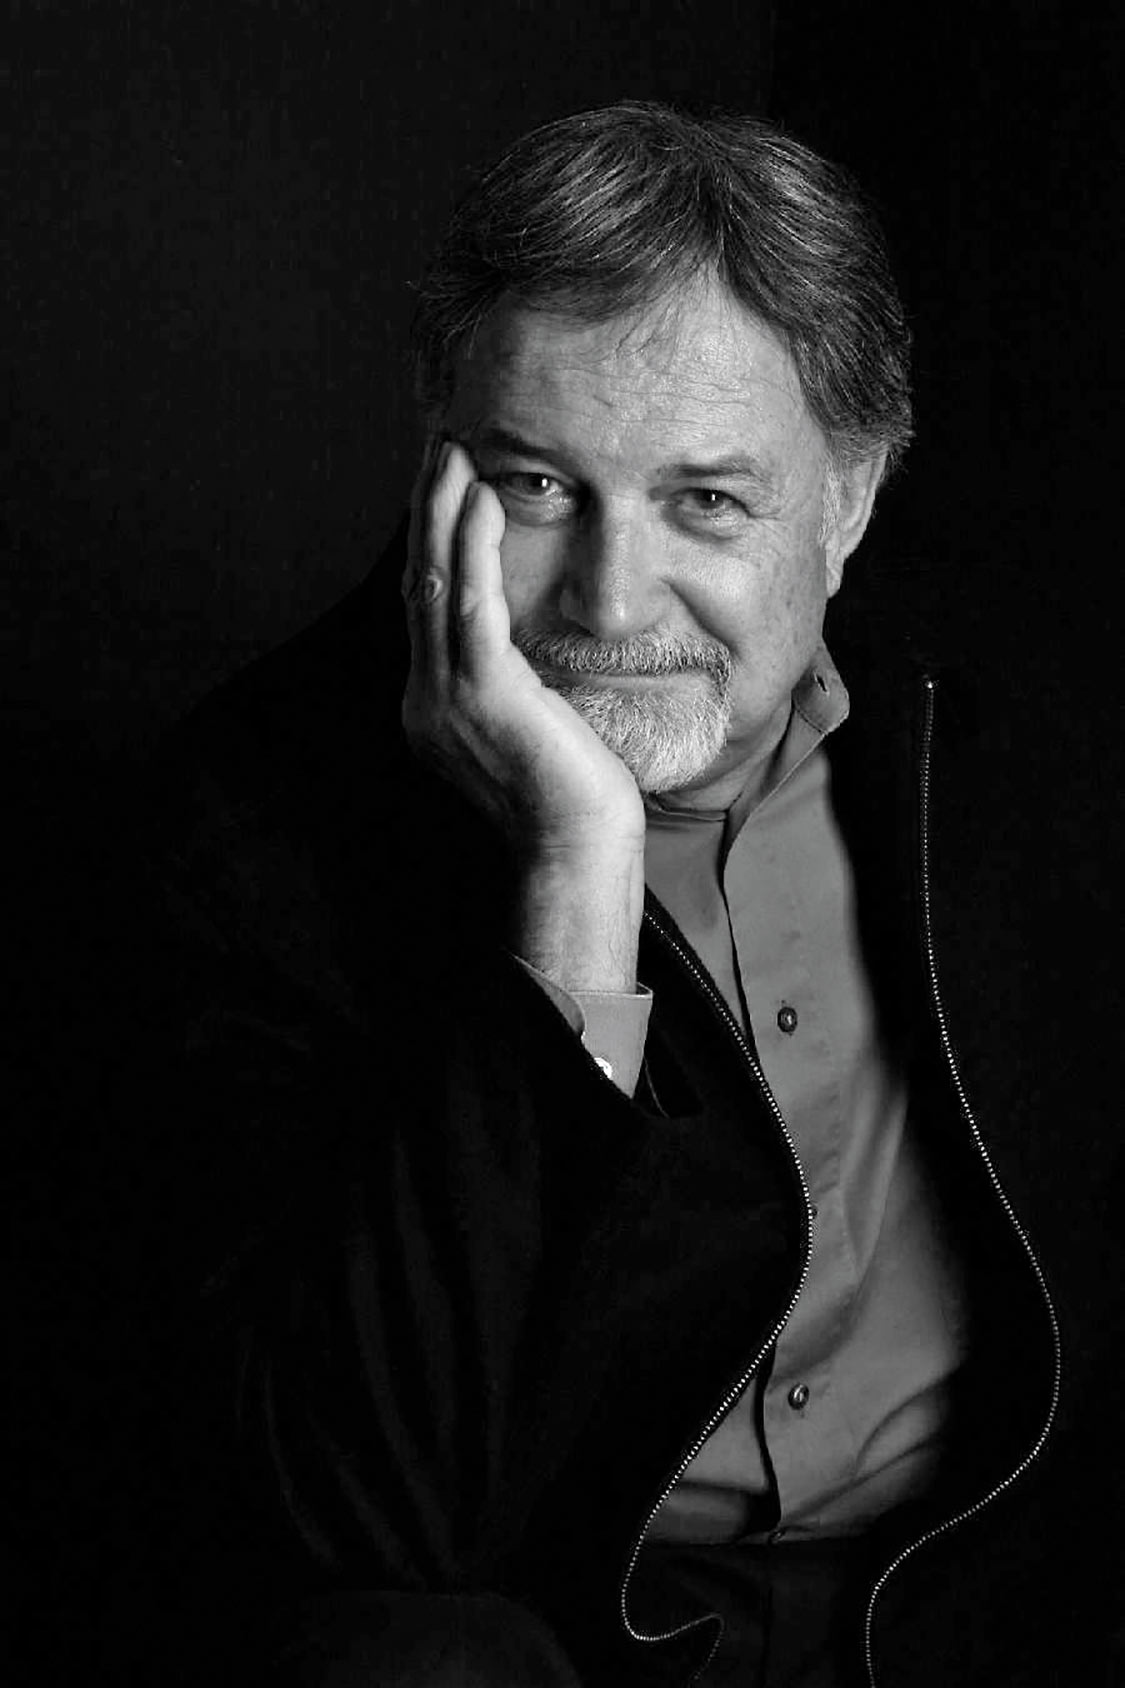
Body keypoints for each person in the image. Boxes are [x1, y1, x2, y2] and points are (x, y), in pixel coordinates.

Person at [131, 102, 1097, 1687]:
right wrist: (572, 869)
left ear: (849, 499)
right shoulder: (248, 827)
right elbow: (370, 1516)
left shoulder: (1022, 735)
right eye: (536, 485)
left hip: (969, 1613)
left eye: (705, 501)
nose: (607, 600)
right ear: (437, 457)